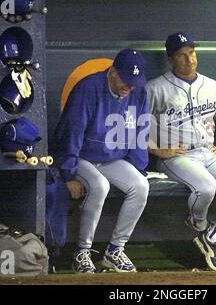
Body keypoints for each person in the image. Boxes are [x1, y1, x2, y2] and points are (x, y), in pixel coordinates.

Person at [146, 32, 216, 271]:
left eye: (192, 53)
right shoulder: (155, 89)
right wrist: (158, 150)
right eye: (181, 55)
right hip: (177, 157)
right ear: (171, 59)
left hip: (208, 153)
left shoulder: (212, 86)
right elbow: (133, 125)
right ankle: (198, 225)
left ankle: (214, 237)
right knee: (206, 187)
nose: (189, 60)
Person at [54, 48, 150, 273]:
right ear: (113, 72)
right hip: (81, 156)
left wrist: (137, 169)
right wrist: (69, 173)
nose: (129, 86)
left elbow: (140, 131)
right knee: (99, 186)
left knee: (140, 185)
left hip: (112, 158)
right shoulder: (88, 88)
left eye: (134, 81)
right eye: (126, 80)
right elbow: (72, 133)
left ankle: (115, 250)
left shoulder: (138, 92)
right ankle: (82, 252)